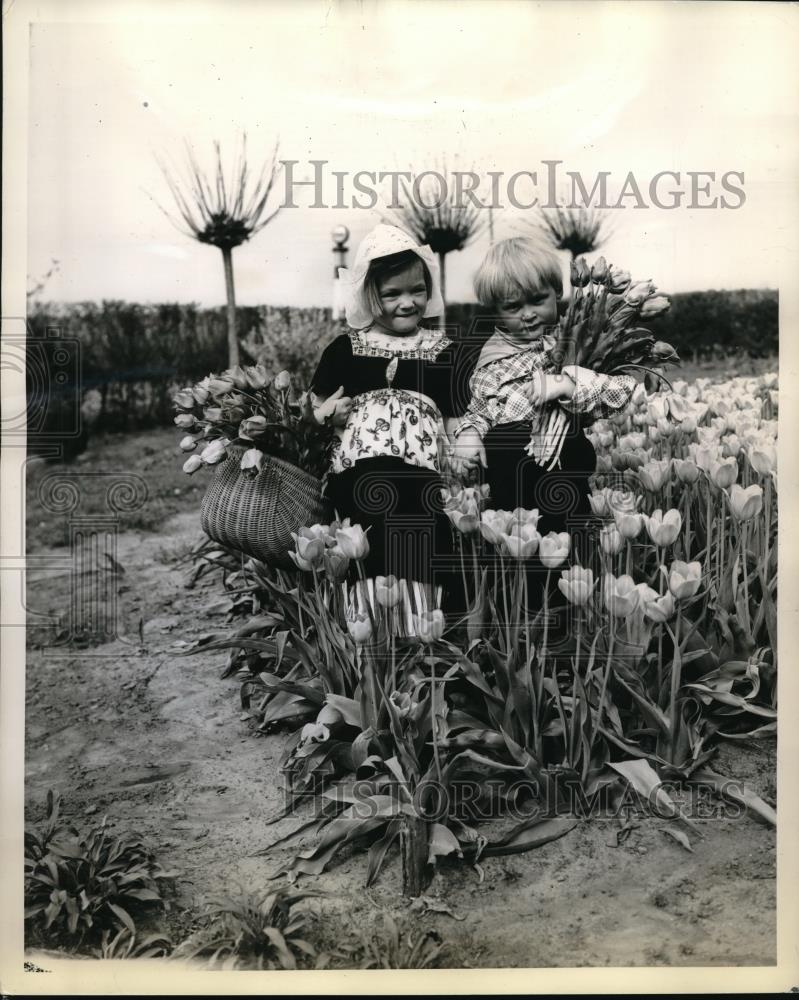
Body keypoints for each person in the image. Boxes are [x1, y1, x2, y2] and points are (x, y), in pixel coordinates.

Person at [450, 237, 636, 615]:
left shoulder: (572, 345)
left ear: (557, 293)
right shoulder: (492, 360)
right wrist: (468, 434)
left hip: (561, 467)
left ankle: (569, 619)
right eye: (513, 307)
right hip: (510, 481)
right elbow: (479, 410)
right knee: (517, 549)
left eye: (538, 300)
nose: (528, 314)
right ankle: (519, 620)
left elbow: (622, 390)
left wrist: (568, 383)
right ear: (495, 310)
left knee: (565, 542)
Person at [309, 224, 466, 636]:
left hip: (422, 471)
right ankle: (367, 634)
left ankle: (420, 630)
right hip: (359, 469)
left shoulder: (441, 350)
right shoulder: (346, 349)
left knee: (422, 531)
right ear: (367, 296)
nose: (407, 302)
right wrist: (330, 412)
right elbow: (314, 408)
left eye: (416, 290)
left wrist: (468, 442)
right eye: (392, 294)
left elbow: (455, 416)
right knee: (366, 531)